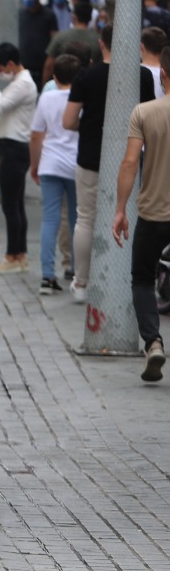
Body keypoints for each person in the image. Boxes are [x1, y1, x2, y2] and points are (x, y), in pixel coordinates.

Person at [62, 20, 156, 304]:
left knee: (86, 218)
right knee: (127, 217)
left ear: (101, 43)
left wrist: (89, 125)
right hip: (129, 156)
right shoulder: (141, 76)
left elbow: (68, 121)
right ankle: (122, 280)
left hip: (90, 156)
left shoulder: (85, 77)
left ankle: (81, 283)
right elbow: (149, 120)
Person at [110, 48, 170, 382]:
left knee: (143, 278)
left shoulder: (144, 112)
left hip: (153, 213)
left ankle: (153, 342)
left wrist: (120, 209)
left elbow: (130, 162)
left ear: (162, 74)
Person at [0, 41, 38, 275]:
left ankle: (12, 256)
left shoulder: (22, 84)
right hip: (12, 149)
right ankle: (19, 255)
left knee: (10, 206)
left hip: (15, 149)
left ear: (12, 64)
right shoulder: (19, 81)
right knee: (15, 205)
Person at [30, 52, 81, 295]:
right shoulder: (81, 98)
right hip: (76, 164)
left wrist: (35, 165)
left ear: (54, 76)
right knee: (77, 220)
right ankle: (75, 270)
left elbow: (36, 135)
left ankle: (47, 276)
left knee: (50, 220)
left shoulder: (46, 98)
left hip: (50, 163)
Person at [18, 0, 58, 84]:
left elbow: (54, 40)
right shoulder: (20, 14)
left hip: (42, 68)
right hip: (23, 67)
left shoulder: (49, 15)